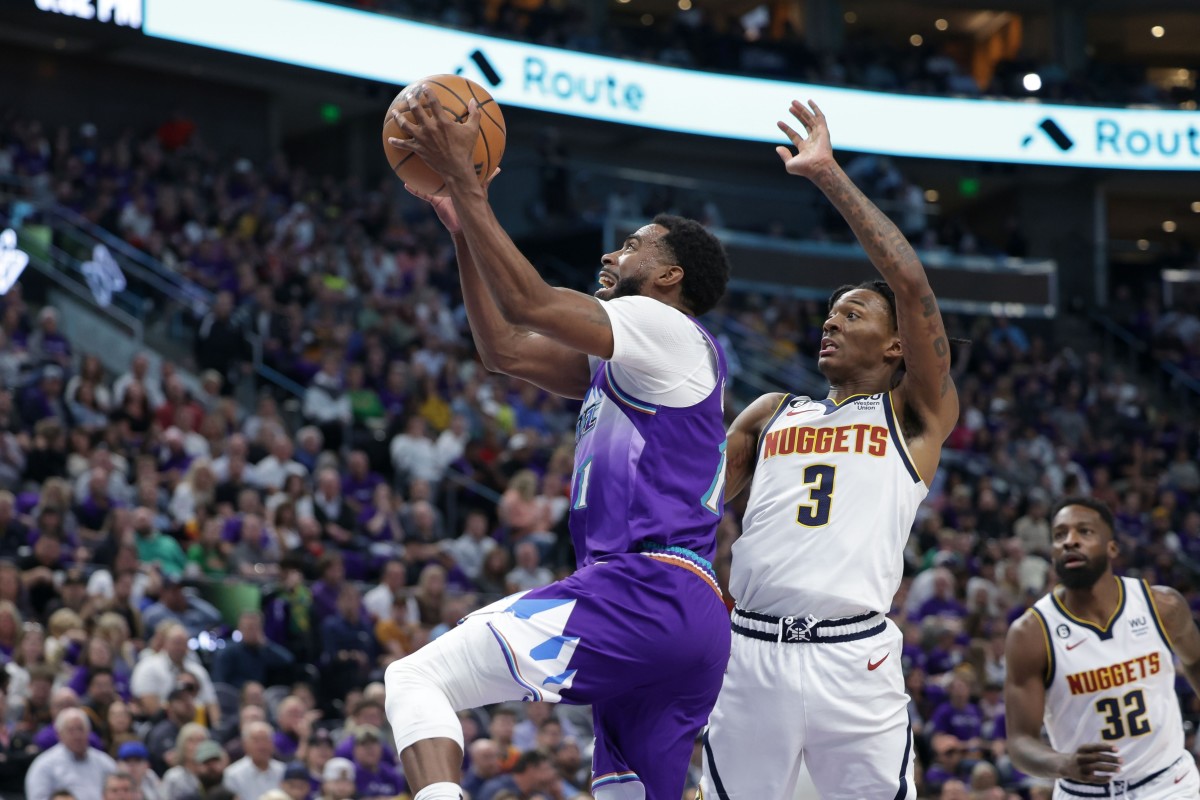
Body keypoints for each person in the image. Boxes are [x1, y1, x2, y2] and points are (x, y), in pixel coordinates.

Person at [384, 83, 733, 800]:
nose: (611, 253)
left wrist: (465, 182)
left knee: (416, 678)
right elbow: (505, 348)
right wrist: (460, 227)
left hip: (643, 591)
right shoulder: (632, 359)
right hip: (682, 615)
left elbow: (530, 302)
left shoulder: (662, 328)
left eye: (633, 246)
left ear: (669, 277)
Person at [698, 100, 960, 800]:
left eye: (853, 313)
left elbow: (911, 283)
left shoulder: (913, 415)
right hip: (752, 651)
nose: (831, 321)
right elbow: (690, 513)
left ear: (898, 343)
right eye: (829, 312)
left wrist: (828, 176)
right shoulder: (769, 412)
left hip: (856, 659)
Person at [1005, 497, 1200, 796]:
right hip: (1084, 791)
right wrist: (1063, 763)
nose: (1070, 541)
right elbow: (1020, 743)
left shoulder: (1163, 606)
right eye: (1060, 535)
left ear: (1112, 547)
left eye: (1084, 532)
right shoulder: (1030, 633)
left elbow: (1195, 660)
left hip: (1169, 784)